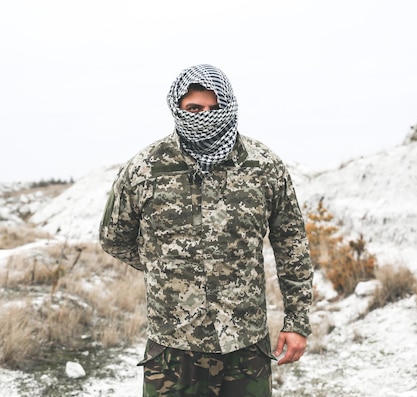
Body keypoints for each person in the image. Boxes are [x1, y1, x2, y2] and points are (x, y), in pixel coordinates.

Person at [99, 64, 313, 397]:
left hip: (245, 346)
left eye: (215, 108)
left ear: (230, 106)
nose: (206, 117)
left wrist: (297, 322)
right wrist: (167, 267)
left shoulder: (264, 167)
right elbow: (114, 238)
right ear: (178, 108)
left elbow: (292, 245)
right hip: (173, 348)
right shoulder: (145, 168)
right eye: (194, 109)